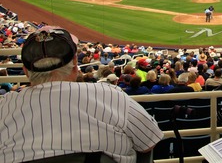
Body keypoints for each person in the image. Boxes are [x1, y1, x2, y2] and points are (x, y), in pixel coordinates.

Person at [0, 26, 163, 163]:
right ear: (75, 65)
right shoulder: (111, 95)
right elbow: (149, 142)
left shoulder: (3, 106)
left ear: (26, 71)